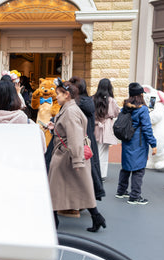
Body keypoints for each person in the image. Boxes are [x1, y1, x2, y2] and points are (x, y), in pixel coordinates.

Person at [47, 78, 106, 232]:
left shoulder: (70, 111)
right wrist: (56, 127)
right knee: (81, 187)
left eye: (58, 94)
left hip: (66, 156)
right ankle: (96, 217)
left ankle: (54, 222)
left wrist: (78, 161)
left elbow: (74, 136)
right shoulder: (71, 108)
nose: (56, 97)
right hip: (69, 155)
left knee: (55, 189)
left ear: (66, 95)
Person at [115, 83, 158, 205]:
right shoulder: (142, 109)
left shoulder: (125, 107)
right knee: (138, 169)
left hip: (126, 139)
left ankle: (121, 191)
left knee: (126, 167)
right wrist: (153, 144)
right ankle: (134, 196)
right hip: (138, 142)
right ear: (141, 95)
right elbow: (147, 128)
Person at [72, 77, 106, 201]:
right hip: (88, 138)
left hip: (80, 138)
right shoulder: (88, 101)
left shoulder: (76, 104)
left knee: (82, 169)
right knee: (89, 169)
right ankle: (89, 197)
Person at [93, 78, 120, 180]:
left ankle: (94, 172)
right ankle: (101, 174)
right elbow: (116, 113)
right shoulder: (111, 100)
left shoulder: (93, 99)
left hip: (95, 127)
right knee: (103, 152)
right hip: (106, 129)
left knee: (95, 151)